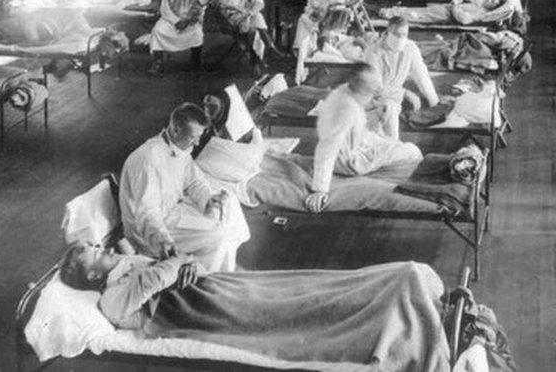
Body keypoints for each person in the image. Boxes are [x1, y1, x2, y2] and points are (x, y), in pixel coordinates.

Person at [56, 243, 450, 371]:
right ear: (92, 277)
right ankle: (394, 309)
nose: (107, 248)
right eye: (99, 254)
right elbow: (158, 279)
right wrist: (175, 263)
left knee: (303, 286)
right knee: (296, 311)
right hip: (199, 309)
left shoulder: (127, 268)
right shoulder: (110, 298)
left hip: (213, 287)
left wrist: (185, 263)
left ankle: (402, 285)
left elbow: (173, 266)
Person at [118, 103, 250, 273]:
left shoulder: (179, 147)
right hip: (149, 232)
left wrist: (209, 199)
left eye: (199, 137)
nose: (196, 143)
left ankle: (217, 264)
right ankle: (210, 279)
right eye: (193, 137)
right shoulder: (147, 160)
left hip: (170, 213)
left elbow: (194, 182)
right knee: (218, 235)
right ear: (176, 129)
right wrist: (163, 240)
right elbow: (147, 213)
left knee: (229, 202)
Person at [305, 63, 424, 212]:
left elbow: (375, 91)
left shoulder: (344, 91)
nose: (373, 96)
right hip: (350, 161)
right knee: (413, 151)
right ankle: (397, 179)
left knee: (389, 116)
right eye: (370, 92)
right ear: (362, 91)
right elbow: (327, 147)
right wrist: (320, 189)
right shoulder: (348, 109)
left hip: (358, 142)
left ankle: (391, 156)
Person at [364, 17, 439, 138]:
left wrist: (434, 102)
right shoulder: (373, 52)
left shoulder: (410, 48)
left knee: (395, 107)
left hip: (394, 100)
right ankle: (394, 143)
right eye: (397, 34)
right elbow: (375, 88)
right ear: (388, 31)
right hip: (373, 101)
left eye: (404, 34)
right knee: (389, 109)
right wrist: (405, 93)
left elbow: (422, 75)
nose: (400, 38)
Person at [149, 0, 215, 74]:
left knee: (197, 33)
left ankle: (195, 62)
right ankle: (157, 62)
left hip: (191, 19)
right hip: (172, 19)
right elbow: (165, 7)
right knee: (157, 30)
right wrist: (176, 21)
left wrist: (200, 2)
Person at [215, 0, 281, 68]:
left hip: (249, 15)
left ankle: (258, 59)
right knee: (255, 23)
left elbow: (259, 3)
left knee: (254, 25)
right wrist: (233, 6)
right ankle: (266, 51)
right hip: (234, 16)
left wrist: (249, 14)